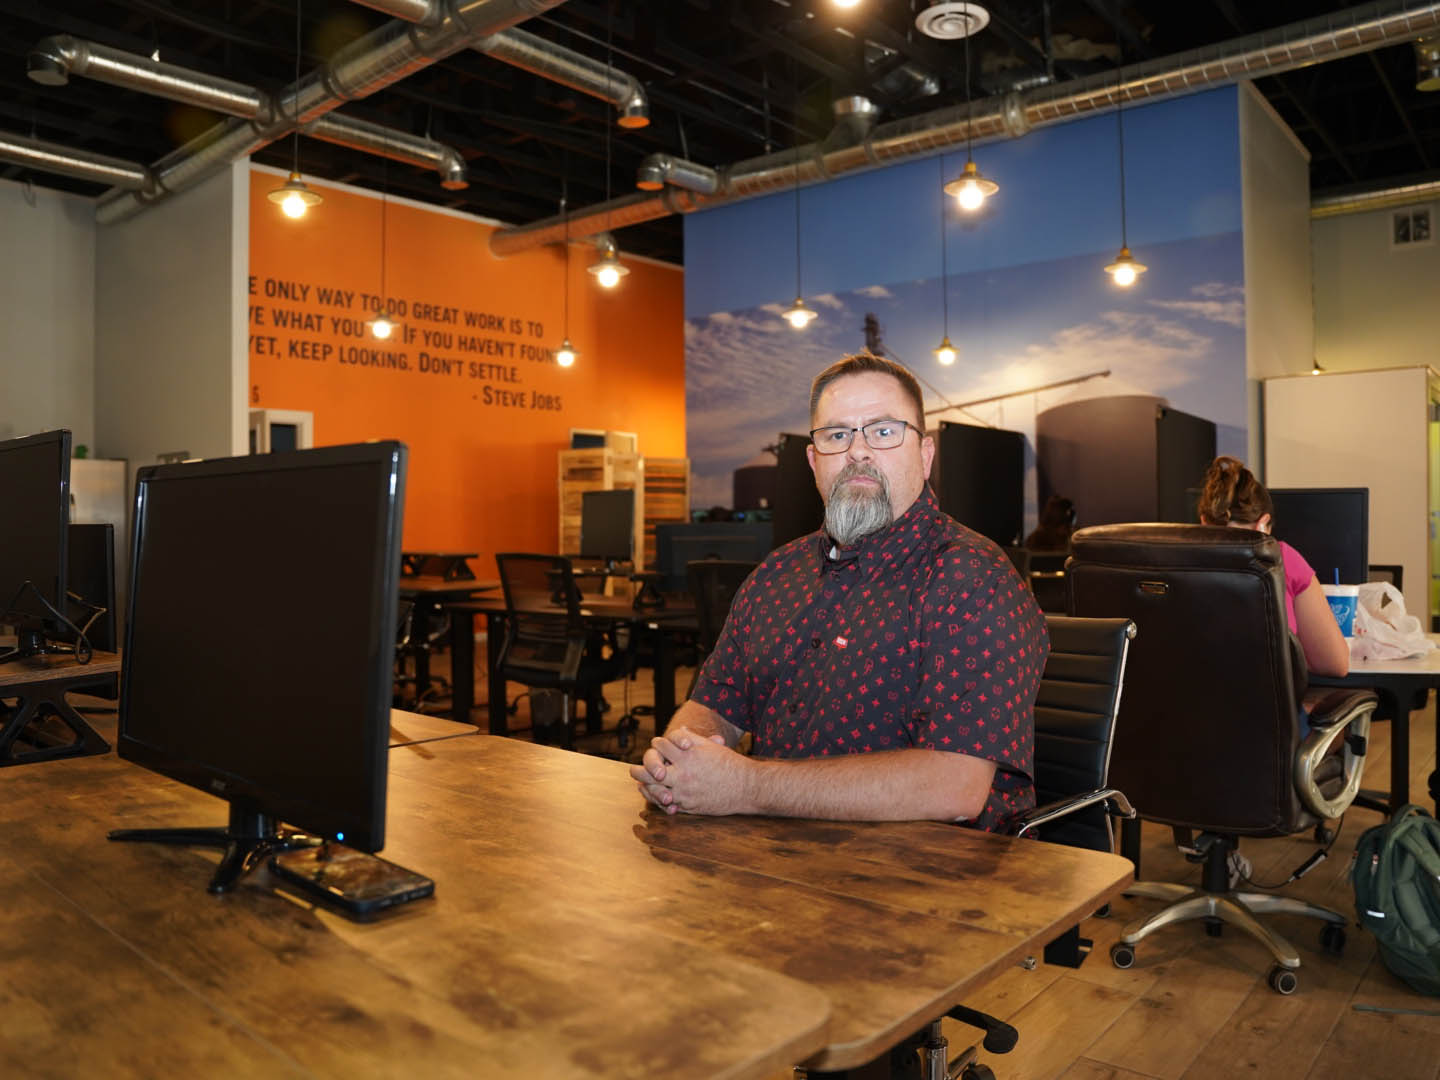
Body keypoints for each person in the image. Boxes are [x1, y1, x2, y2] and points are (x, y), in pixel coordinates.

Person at [630, 353, 1048, 829]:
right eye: (837, 435)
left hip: (937, 880)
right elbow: (716, 701)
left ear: (925, 455)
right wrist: (680, 762)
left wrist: (747, 786)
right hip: (775, 858)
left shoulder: (972, 579)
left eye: (884, 431)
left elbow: (954, 784)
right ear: (814, 461)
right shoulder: (777, 574)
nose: (858, 452)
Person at [1197, 456, 1349, 678]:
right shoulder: (1283, 558)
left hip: (1186, 710)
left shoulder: (1170, 560)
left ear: (1203, 521)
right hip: (1265, 711)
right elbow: (1334, 664)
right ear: (1262, 524)